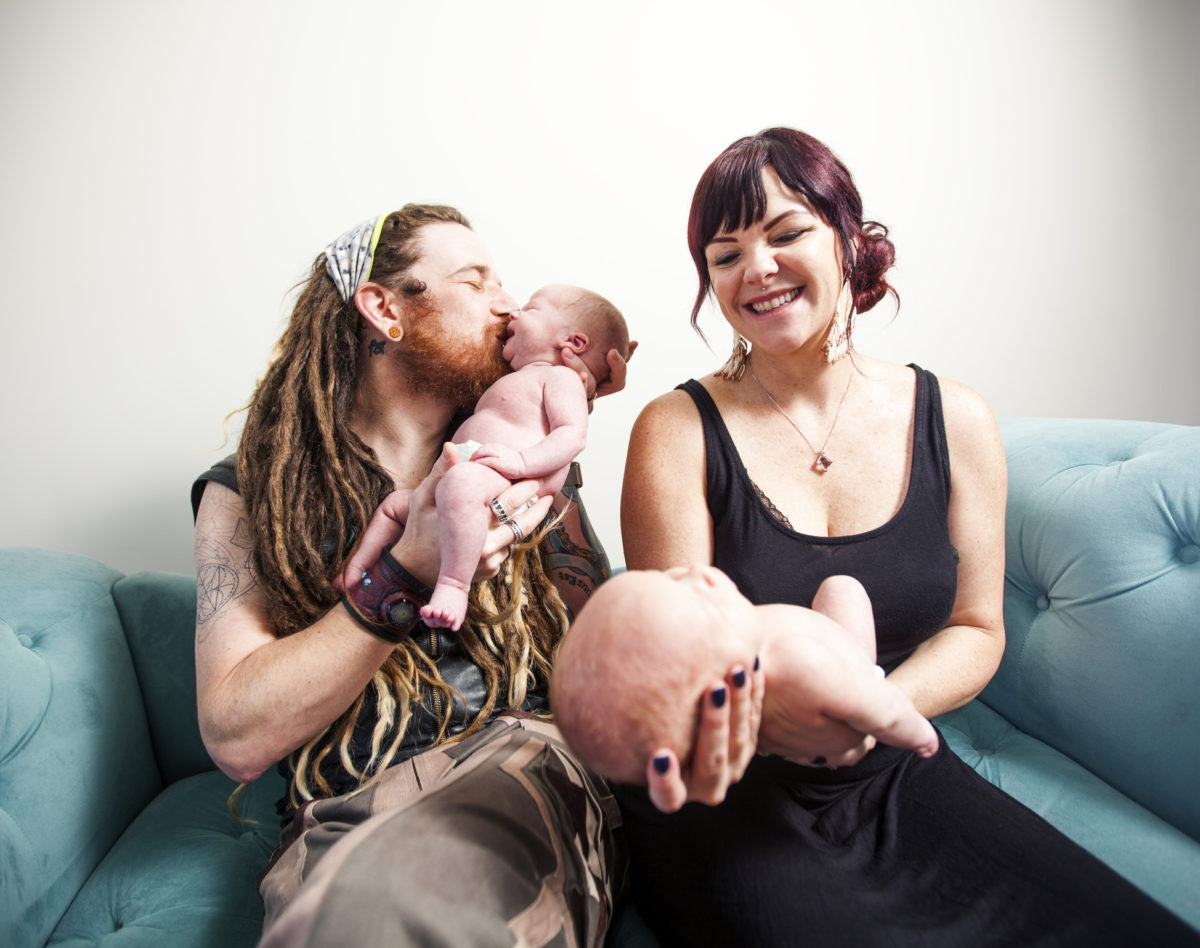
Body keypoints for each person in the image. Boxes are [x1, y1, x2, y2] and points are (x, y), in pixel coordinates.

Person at [616, 128, 1200, 946]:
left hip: (892, 751)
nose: (757, 270)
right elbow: (679, 658)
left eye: (787, 234)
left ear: (849, 239)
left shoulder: (954, 417)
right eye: (725, 254)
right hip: (728, 780)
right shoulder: (675, 429)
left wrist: (876, 710)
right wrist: (789, 717)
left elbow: (975, 626)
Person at [190, 205, 670, 947]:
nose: (508, 304)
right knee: (342, 916)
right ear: (385, 309)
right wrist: (405, 571)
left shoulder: (520, 457)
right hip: (345, 803)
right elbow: (235, 734)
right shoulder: (255, 491)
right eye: (476, 281)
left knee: (401, 898)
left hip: (521, 761)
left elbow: (609, 661)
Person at [350, 284, 631, 632]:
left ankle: (454, 585)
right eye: (473, 282)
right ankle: (355, 578)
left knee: (460, 485)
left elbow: (571, 435)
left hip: (500, 476)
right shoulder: (519, 379)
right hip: (467, 476)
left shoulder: (560, 378)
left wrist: (524, 463)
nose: (512, 309)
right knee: (394, 506)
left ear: (574, 343)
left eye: (530, 308)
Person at [551, 566, 938, 786]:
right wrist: (914, 731)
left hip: (797, 745)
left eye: (671, 577)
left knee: (839, 590)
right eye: (693, 597)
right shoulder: (797, 663)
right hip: (855, 684)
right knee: (844, 588)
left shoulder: (727, 664)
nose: (696, 574)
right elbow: (877, 703)